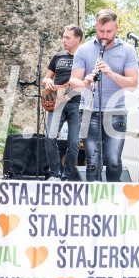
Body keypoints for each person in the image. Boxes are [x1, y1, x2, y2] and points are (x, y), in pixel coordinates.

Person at [69, 9, 139, 182]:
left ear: (117, 28)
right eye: (101, 31)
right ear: (96, 28)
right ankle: (93, 203)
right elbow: (73, 81)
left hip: (116, 112)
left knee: (114, 162)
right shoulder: (84, 50)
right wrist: (85, 82)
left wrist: (111, 74)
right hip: (88, 111)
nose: (104, 36)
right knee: (92, 162)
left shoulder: (128, 50)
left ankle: (113, 201)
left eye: (109, 31)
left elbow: (132, 84)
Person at [42, 25, 83, 180]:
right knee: (50, 137)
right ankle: (54, 174)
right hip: (57, 103)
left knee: (74, 143)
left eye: (67, 37)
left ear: (77, 39)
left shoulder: (84, 58)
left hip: (76, 103)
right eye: (63, 36)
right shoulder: (58, 57)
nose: (63, 40)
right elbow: (47, 77)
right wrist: (47, 82)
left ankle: (66, 177)